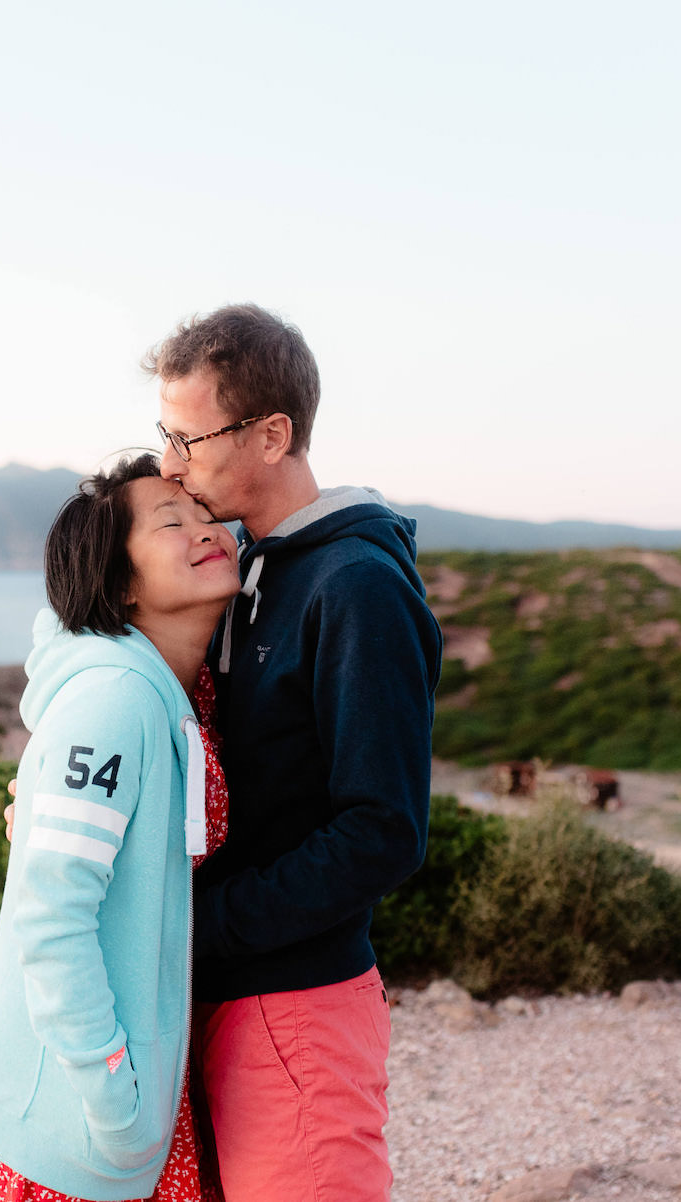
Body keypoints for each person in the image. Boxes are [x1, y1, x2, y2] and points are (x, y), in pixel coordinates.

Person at [150, 304, 442, 1202]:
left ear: (271, 434)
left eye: (188, 439)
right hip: (222, 995)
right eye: (163, 435)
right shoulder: (237, 569)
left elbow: (381, 831)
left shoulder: (355, 585)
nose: (171, 465)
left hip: (298, 1005)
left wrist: (204, 924)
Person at [0, 453, 236, 1202]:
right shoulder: (112, 701)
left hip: (106, 1114)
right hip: (54, 1123)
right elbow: (51, 916)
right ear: (122, 583)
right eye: (173, 522)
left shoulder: (177, 699)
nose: (206, 529)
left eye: (206, 514)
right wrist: (116, 1101)